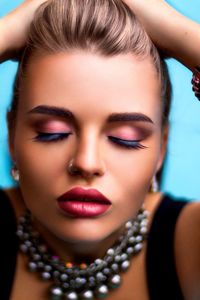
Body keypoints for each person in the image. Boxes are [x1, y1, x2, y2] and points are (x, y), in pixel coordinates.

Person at [0, 0, 200, 299]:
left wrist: (179, 31)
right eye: (52, 133)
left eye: (125, 137)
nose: (86, 162)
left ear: (162, 147)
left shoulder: (187, 244)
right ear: (12, 134)